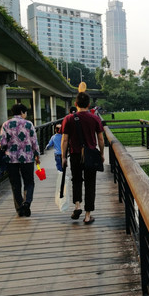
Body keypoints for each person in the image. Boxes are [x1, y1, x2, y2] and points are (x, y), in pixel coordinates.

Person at [61, 92, 105, 224]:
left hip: (74, 154)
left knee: (77, 180)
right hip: (90, 154)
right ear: (89, 104)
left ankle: (77, 206)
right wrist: (102, 154)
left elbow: (64, 140)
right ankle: (87, 216)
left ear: (75, 104)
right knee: (90, 184)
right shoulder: (95, 118)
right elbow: (101, 139)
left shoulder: (68, 119)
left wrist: (63, 157)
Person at [0, 103, 40, 217]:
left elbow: (2, 143)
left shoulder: (6, 124)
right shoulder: (29, 124)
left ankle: (19, 209)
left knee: (15, 184)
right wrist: (37, 155)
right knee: (29, 182)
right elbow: (34, 141)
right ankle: (27, 202)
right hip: (27, 158)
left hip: (11, 159)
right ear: (22, 112)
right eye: (25, 112)